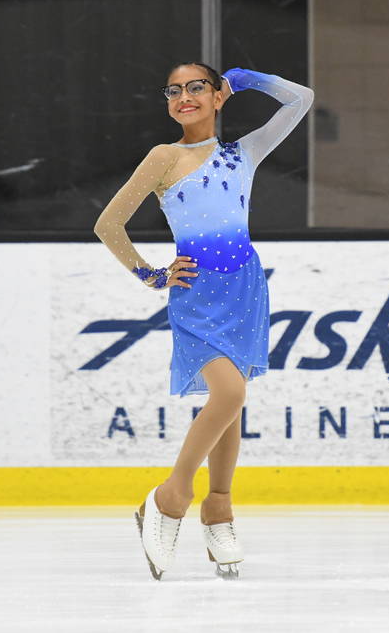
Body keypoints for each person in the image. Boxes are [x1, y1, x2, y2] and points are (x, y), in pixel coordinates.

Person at [93, 62, 314, 579]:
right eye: (174, 90)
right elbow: (109, 224)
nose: (183, 96)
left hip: (245, 289)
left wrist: (248, 78)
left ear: (219, 97)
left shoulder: (244, 154)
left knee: (232, 398)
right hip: (196, 292)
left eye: (197, 87)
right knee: (229, 395)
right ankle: (171, 496)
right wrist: (149, 275)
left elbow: (301, 99)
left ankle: (219, 508)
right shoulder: (164, 157)